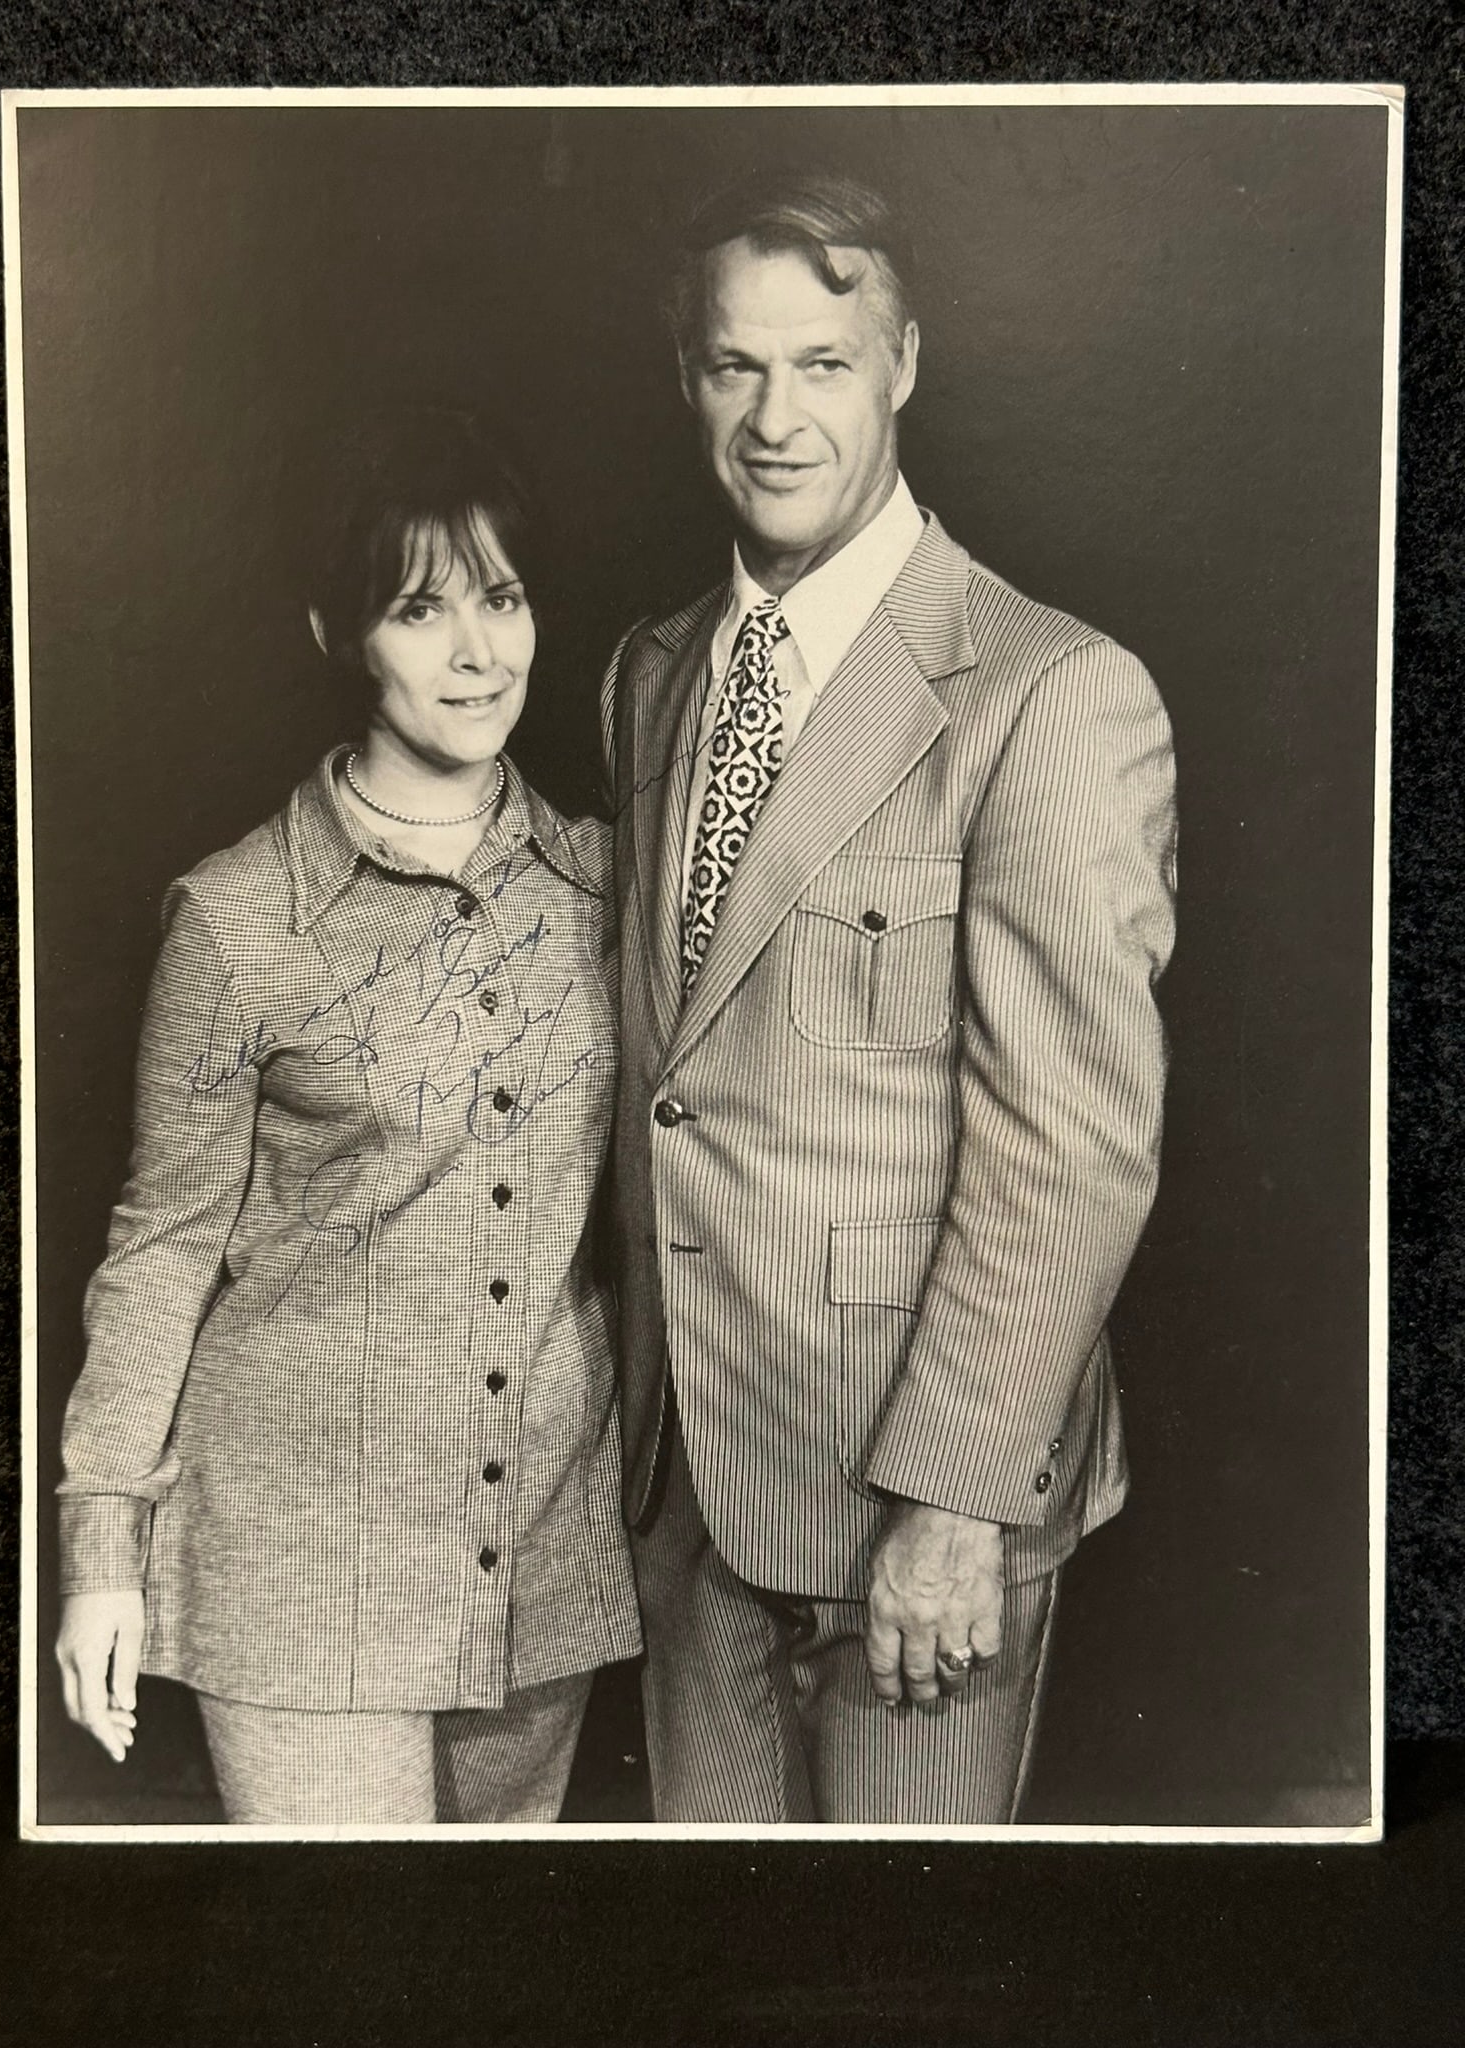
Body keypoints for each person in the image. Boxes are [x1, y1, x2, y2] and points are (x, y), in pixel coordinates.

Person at [600, 172, 1178, 1823]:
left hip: (914, 1512)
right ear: (690, 379)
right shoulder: (648, 673)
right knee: (722, 1978)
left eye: (825, 364)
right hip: (682, 1483)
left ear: (905, 364)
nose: (776, 418)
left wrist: (956, 1504)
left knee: (902, 1977)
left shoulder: (1051, 692)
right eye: (734, 367)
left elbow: (1071, 1148)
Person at [56, 413, 640, 1825]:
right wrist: (99, 1552)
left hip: (539, 1546)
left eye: (502, 600)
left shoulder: (606, 887)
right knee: (343, 1981)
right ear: (339, 631)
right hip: (299, 1564)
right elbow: (160, 1249)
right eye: (418, 608)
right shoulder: (237, 920)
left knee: (499, 1988)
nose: (476, 654)